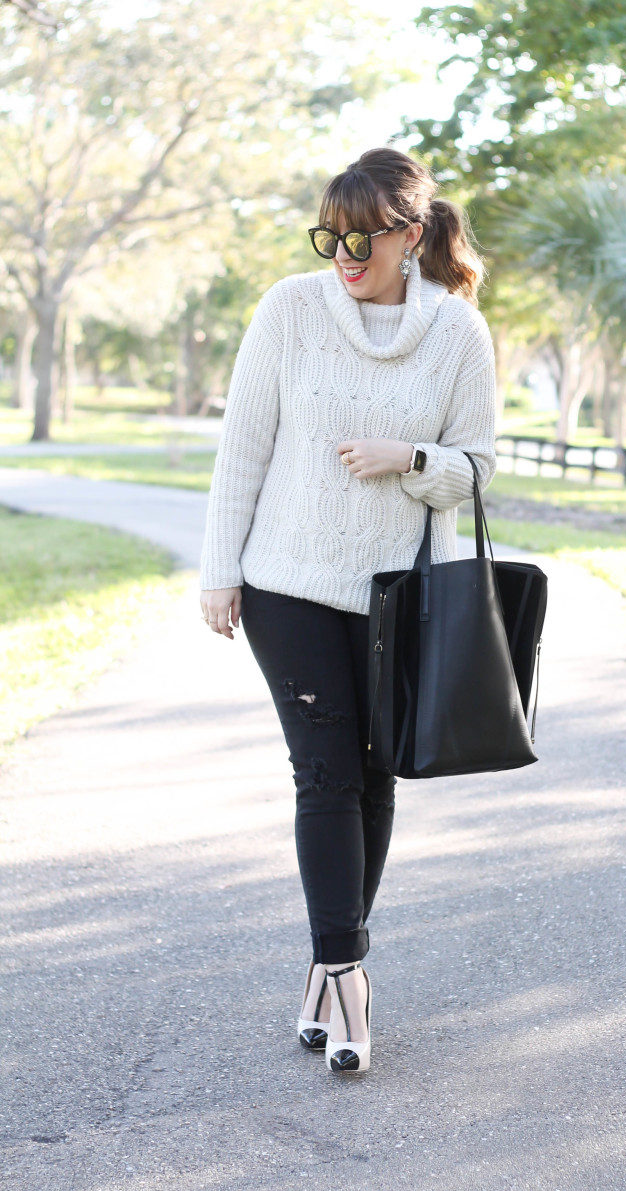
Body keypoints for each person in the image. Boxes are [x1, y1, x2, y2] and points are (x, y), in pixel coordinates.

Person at [198, 146, 497, 1074]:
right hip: (287, 584)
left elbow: (478, 470)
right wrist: (220, 572)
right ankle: (349, 972)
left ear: (411, 234)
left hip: (397, 595)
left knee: (376, 778)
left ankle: (325, 970)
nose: (342, 252)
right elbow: (242, 448)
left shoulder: (458, 335)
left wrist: (408, 459)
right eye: (329, 233)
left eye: (360, 236)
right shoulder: (290, 308)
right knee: (324, 774)